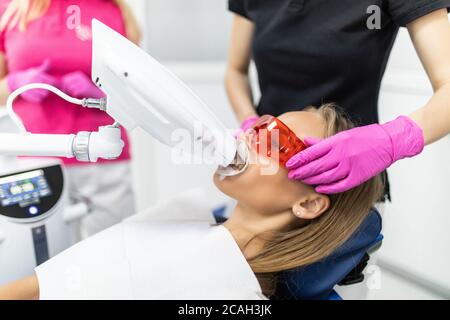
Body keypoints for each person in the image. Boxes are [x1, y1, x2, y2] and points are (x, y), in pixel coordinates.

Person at [0, 104, 383, 299]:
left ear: (310, 204)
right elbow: (37, 286)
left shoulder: (232, 289)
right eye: (259, 127)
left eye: (279, 142)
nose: (249, 139)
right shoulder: (185, 221)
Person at [225, 0, 450, 197]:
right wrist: (249, 122)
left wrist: (390, 140)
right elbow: (236, 71)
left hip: (343, 188)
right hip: (264, 176)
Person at [0, 0, 141, 237]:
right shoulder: (11, 9)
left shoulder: (115, 12)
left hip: (104, 164)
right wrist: (16, 83)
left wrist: (100, 92)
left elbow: (137, 93)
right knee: (44, 259)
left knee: (113, 254)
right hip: (36, 163)